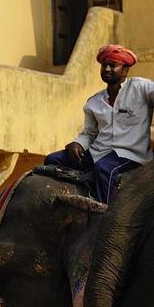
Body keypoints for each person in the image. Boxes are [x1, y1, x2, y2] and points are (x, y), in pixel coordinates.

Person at [45, 44, 154, 203]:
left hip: (129, 153)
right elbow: (89, 133)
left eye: (112, 65)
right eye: (104, 65)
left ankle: (102, 214)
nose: (107, 69)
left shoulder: (141, 87)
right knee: (52, 160)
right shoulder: (94, 102)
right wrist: (78, 143)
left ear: (125, 70)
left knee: (104, 169)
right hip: (98, 151)